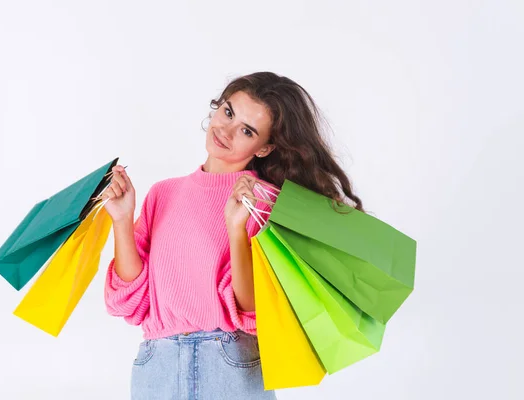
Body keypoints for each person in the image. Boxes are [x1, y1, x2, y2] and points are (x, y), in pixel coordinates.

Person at [101, 71, 364, 399]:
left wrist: (236, 228)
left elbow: (251, 309)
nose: (225, 131)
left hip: (228, 363)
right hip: (157, 364)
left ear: (265, 147)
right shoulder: (163, 194)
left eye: (246, 130)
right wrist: (123, 220)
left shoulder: (264, 204)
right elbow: (129, 302)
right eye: (228, 112)